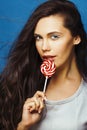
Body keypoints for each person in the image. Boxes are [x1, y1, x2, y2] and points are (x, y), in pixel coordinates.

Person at [0, 0, 87, 130]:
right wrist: (24, 125)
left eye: (54, 37)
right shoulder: (22, 84)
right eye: (39, 38)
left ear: (76, 38)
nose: (44, 47)